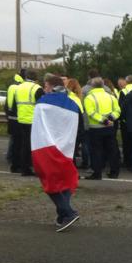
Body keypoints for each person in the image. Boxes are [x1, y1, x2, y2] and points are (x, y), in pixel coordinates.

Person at [32, 74, 81, 231]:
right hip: (66, 147)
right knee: (64, 179)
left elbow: (39, 127)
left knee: (49, 179)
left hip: (46, 145)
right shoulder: (73, 104)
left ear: (51, 86)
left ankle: (68, 213)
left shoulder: (43, 102)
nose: (44, 89)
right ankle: (62, 215)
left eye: (45, 86)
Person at [83, 76, 121, 180]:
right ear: (103, 85)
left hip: (95, 128)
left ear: (91, 86)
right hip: (109, 127)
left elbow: (90, 112)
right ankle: (114, 172)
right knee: (112, 150)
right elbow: (118, 110)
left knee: (96, 151)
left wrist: (102, 120)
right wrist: (110, 118)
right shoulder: (111, 96)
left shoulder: (89, 98)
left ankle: (97, 173)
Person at [12, 70, 43, 175]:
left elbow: (14, 105)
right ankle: (27, 168)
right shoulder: (37, 88)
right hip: (33, 120)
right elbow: (43, 105)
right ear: (36, 78)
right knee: (32, 146)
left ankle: (24, 167)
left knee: (24, 145)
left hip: (21, 119)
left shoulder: (18, 87)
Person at [64, 77, 87, 169]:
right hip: (78, 126)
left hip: (70, 126)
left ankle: (70, 168)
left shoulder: (68, 97)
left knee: (70, 150)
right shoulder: (78, 99)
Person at [5, 69, 25, 169]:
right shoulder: (18, 86)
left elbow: (7, 103)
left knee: (14, 139)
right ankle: (13, 159)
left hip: (11, 116)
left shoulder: (13, 85)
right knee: (16, 141)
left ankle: (10, 157)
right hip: (16, 116)